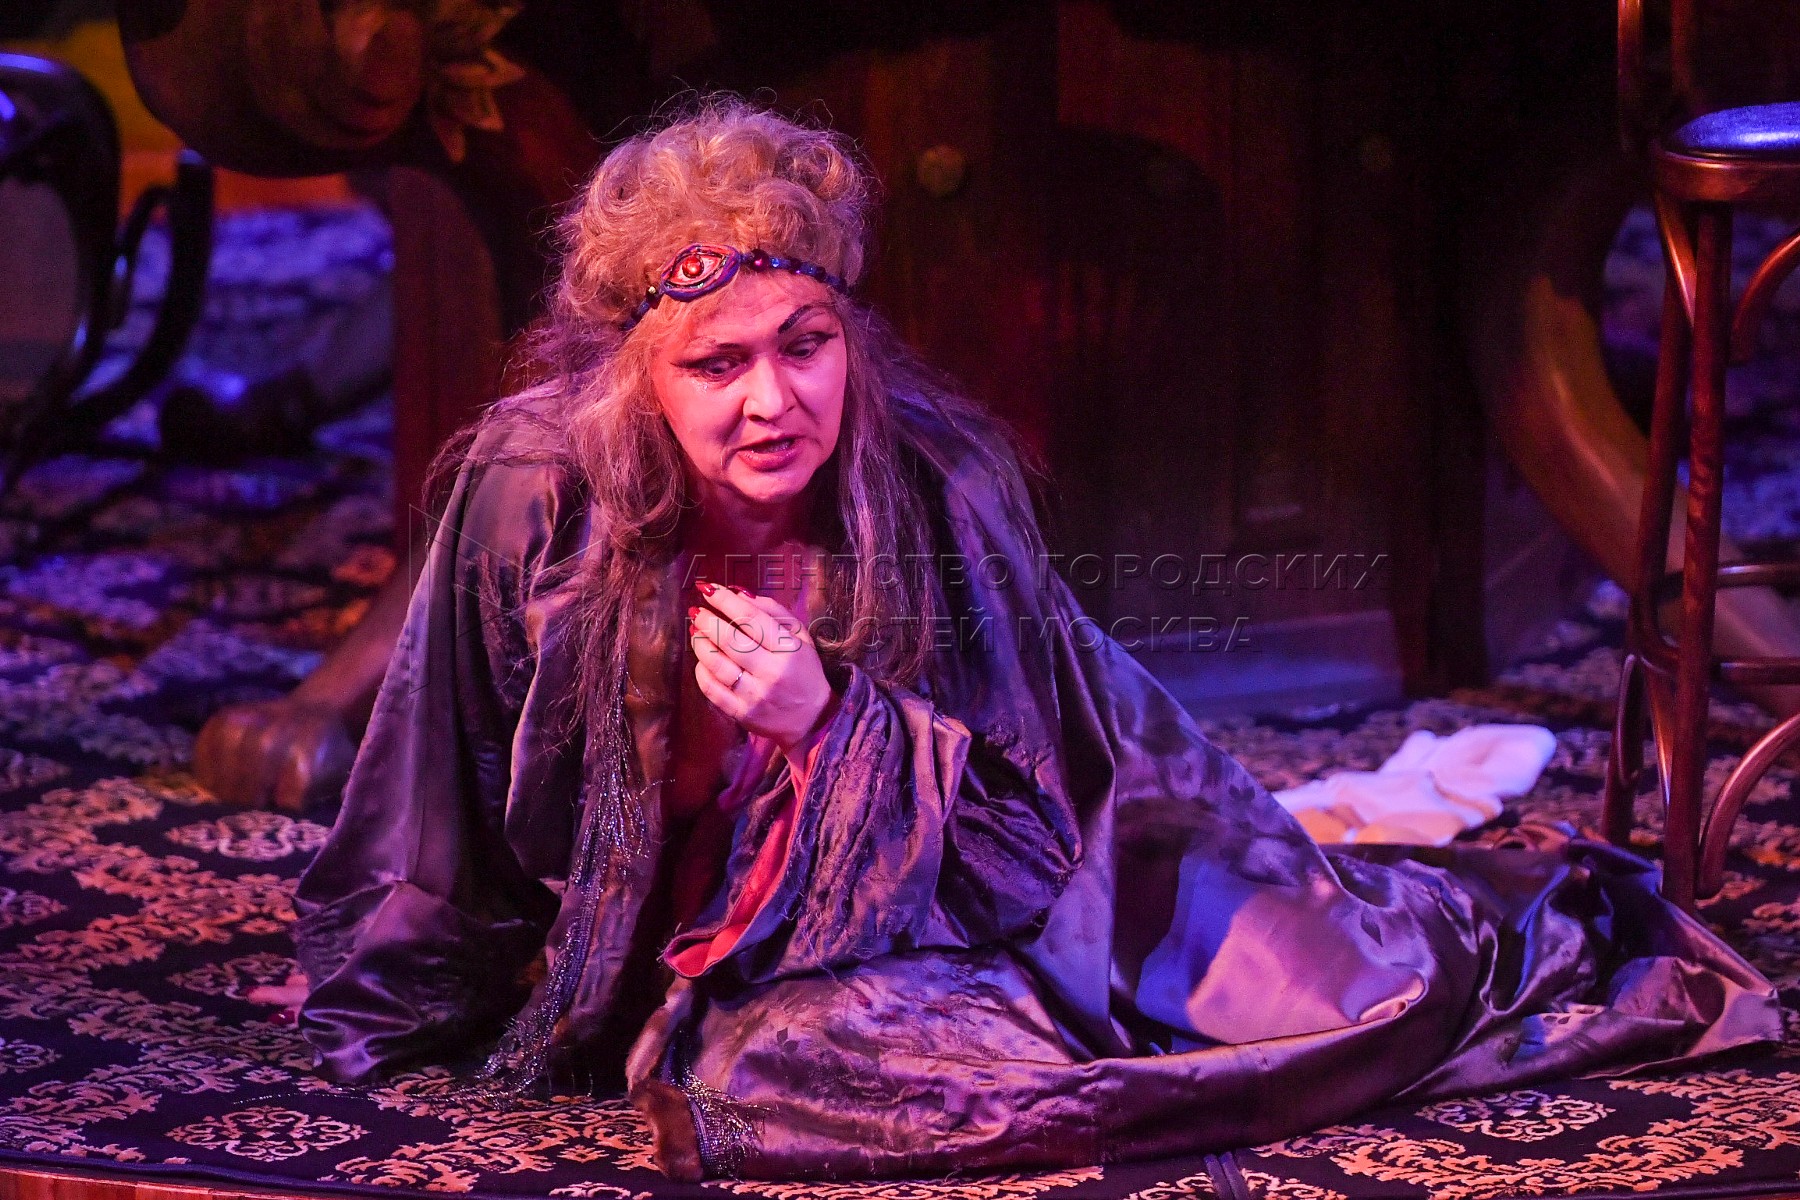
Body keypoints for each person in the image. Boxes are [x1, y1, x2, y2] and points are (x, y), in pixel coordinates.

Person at [289, 98, 1781, 1182]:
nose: (773, 402)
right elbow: (436, 784)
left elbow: (1031, 843)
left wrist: (835, 725)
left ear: (849, 339)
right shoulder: (534, 492)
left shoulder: (937, 490)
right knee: (777, 1067)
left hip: (991, 901)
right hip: (658, 949)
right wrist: (413, 1012)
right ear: (638, 378)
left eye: (805, 347)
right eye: (717, 365)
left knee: (909, 1062)